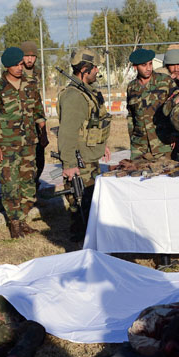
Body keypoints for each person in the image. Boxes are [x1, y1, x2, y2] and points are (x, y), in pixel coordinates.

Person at [0, 47, 42, 238]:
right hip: (7, 145)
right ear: (7, 66)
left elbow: (38, 111)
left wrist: (42, 131)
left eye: (21, 64)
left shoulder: (31, 84)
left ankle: (23, 219)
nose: (20, 68)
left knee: (28, 183)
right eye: (16, 65)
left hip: (29, 144)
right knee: (10, 184)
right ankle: (14, 223)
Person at [59, 48, 112, 240]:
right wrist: (69, 164)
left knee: (91, 201)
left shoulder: (86, 92)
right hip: (81, 161)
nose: (97, 71)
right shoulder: (74, 96)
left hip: (90, 156)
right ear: (85, 69)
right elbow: (67, 132)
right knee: (82, 203)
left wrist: (101, 144)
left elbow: (91, 124)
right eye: (95, 67)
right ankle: (81, 239)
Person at [125, 48, 177, 162]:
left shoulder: (165, 81)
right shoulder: (131, 87)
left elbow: (177, 109)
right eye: (144, 65)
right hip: (139, 146)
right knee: (135, 176)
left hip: (162, 143)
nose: (148, 68)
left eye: (150, 64)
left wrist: (174, 134)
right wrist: (132, 138)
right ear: (135, 67)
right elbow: (130, 115)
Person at [20, 40, 50, 192]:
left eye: (33, 56)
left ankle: (35, 189)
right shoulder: (17, 72)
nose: (30, 59)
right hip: (22, 124)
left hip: (37, 120)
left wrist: (43, 126)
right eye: (26, 56)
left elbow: (37, 99)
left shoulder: (37, 73)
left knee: (40, 158)